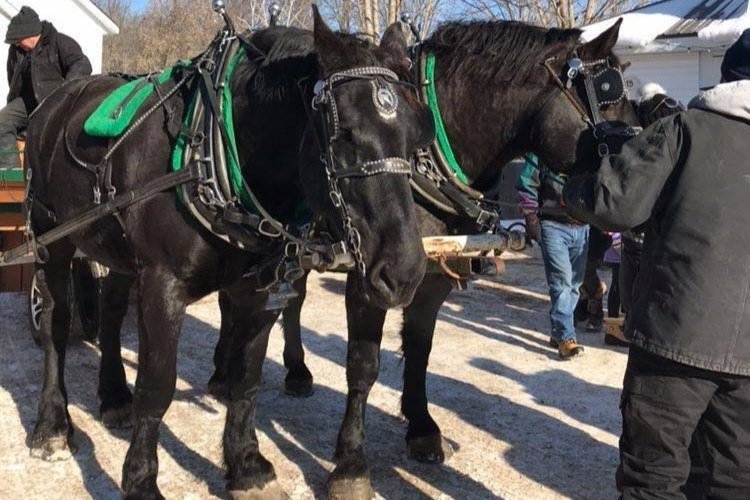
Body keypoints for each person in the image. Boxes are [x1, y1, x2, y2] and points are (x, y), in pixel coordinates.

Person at [563, 29, 750, 498]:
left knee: (653, 478)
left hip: (674, 340)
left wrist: (581, 173)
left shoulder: (685, 132)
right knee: (734, 480)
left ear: (725, 80)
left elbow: (613, 206)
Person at [0, 6, 91, 169]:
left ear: (29, 34)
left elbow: (82, 64)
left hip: (55, 101)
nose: (16, 44)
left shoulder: (58, 41)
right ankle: (11, 177)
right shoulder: (16, 51)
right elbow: (11, 78)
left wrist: (65, 90)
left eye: (18, 39)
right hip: (27, 102)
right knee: (3, 120)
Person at [518, 154, 588, 360]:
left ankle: (558, 332)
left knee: (575, 284)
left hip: (583, 227)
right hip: (553, 225)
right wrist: (531, 219)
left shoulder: (588, 150)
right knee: (562, 282)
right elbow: (525, 183)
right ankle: (566, 338)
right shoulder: (543, 150)